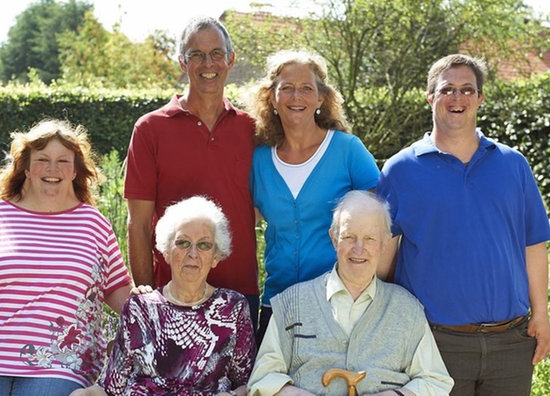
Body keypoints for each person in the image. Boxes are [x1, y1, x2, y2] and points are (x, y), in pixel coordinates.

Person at [376, 54, 550, 396]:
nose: (457, 99)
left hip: (510, 343)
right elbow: (383, 255)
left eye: (467, 90)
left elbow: (534, 245)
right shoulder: (400, 170)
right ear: (431, 97)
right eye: (447, 90)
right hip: (434, 344)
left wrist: (541, 314)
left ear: (480, 98)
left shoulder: (513, 165)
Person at [0, 119, 133, 396]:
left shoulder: (93, 224)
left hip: (60, 367)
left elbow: (116, 288)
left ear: (75, 170)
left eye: (63, 161)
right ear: (25, 168)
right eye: (42, 159)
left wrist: (159, 313)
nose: (52, 169)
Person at [123, 16, 259, 327]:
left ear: (231, 60)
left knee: (240, 379)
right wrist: (147, 300)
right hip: (173, 294)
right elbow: (139, 223)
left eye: (216, 53)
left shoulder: (251, 129)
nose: (207, 63)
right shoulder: (150, 129)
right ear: (183, 62)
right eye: (196, 54)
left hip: (240, 292)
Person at [247, 190, 453, 395]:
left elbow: (435, 382)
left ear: (385, 242)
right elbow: (263, 378)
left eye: (370, 238)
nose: (358, 248)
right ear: (334, 239)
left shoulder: (407, 309)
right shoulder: (292, 304)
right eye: (349, 237)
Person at [247, 49, 380, 344]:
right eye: (287, 88)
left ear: (321, 98)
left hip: (339, 302)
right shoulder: (258, 160)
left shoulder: (347, 150)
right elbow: (243, 219)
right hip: (276, 303)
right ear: (272, 97)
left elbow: (382, 219)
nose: (297, 97)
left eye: (307, 88)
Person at [71, 196, 255, 396]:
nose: (193, 253)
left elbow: (248, 383)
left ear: (216, 258)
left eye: (204, 245)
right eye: (183, 243)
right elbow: (110, 386)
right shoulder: (140, 308)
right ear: (166, 252)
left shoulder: (232, 308)